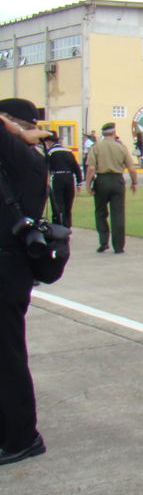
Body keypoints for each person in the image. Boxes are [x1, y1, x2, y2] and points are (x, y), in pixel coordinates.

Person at [0, 98, 50, 466]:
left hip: (8, 266)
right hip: (12, 264)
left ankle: (22, 436)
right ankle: (12, 431)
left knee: (8, 357)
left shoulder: (20, 154)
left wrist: (12, 127)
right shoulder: (23, 156)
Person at [85, 122, 138, 254]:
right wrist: (134, 182)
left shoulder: (96, 147)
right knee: (118, 214)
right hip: (117, 180)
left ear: (102, 134)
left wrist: (88, 184)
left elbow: (91, 168)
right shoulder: (121, 148)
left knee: (100, 212)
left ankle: (103, 242)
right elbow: (131, 168)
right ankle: (118, 246)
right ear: (114, 133)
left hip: (102, 180)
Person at [42, 133, 83, 226]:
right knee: (68, 205)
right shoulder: (68, 151)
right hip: (69, 178)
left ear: (49, 142)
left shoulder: (50, 152)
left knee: (58, 204)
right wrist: (79, 182)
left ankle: (58, 224)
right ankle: (67, 225)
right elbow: (76, 168)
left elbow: (46, 167)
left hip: (58, 177)